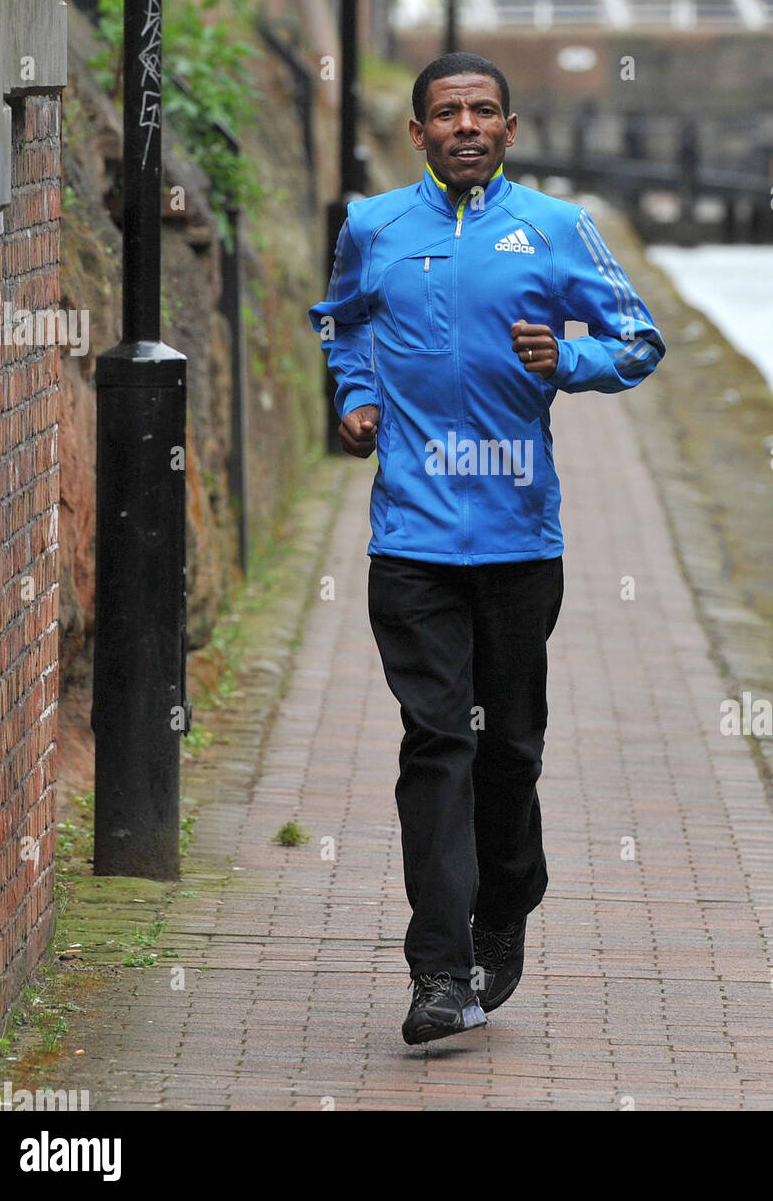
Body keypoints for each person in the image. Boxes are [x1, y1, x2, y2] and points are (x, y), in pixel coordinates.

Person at [308, 52, 665, 1045]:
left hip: (517, 542)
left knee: (505, 748)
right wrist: (355, 396)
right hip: (411, 541)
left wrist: (575, 356)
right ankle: (438, 968)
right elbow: (339, 325)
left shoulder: (556, 230)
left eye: (483, 111)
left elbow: (637, 339)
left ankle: (504, 903)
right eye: (445, 113)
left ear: (508, 129)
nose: (465, 125)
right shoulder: (373, 226)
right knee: (437, 744)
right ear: (417, 133)